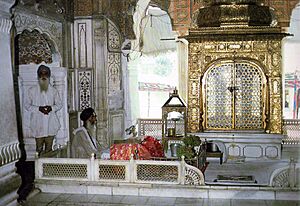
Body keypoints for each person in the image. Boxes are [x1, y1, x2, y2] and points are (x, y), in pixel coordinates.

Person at [24, 65, 62, 156]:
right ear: (38, 75)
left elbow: (59, 104)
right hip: (38, 125)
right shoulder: (31, 90)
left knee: (49, 150)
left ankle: (48, 169)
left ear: (49, 75)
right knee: (39, 150)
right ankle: (38, 169)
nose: (43, 76)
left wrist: (51, 108)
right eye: (41, 73)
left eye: (46, 73)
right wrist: (38, 109)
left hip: (51, 124)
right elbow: (27, 105)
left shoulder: (53, 91)